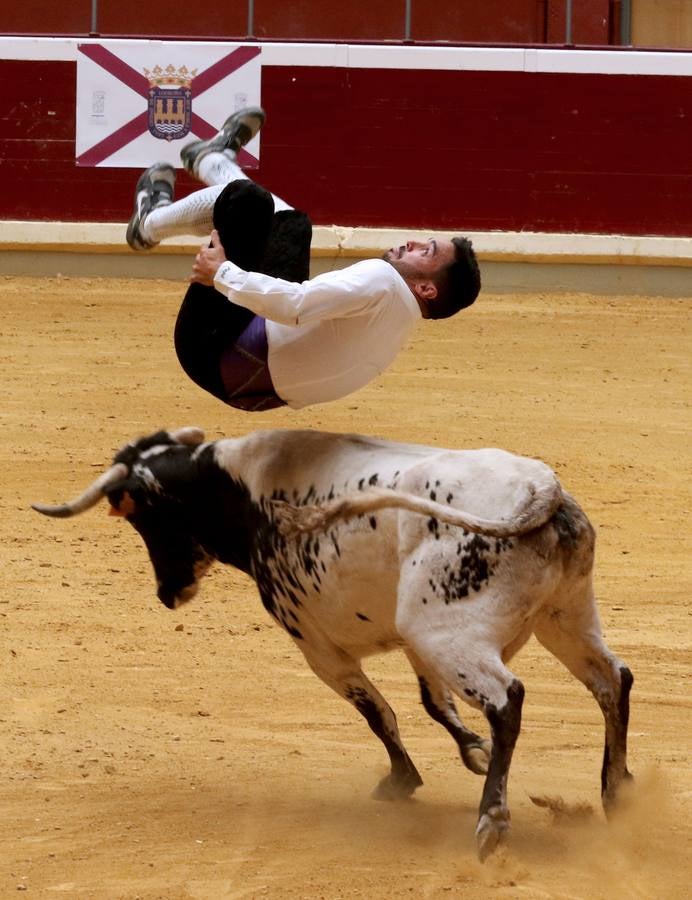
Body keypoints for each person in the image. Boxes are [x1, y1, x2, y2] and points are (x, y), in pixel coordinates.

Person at [126, 107, 481, 411]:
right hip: (249, 385)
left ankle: (150, 223)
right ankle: (213, 159)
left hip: (212, 348)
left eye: (427, 251)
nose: (413, 242)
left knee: (246, 202)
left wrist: (222, 274)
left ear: (426, 288)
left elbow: (296, 305)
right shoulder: (400, 324)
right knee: (293, 226)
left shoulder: (383, 279)